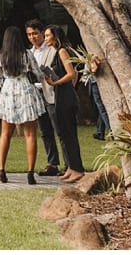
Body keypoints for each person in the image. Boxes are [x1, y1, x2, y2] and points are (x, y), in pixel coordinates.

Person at [0, 26, 45, 184]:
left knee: (5, 134)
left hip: (8, 91)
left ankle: (2, 170)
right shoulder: (27, 54)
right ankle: (30, 173)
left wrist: (5, 82)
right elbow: (38, 74)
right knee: (30, 135)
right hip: (25, 89)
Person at [43, 25, 86, 182]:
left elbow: (71, 74)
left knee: (69, 133)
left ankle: (77, 169)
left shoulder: (62, 51)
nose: (45, 38)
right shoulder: (57, 52)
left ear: (56, 36)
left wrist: (56, 83)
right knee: (65, 133)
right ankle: (71, 167)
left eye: (47, 35)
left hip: (65, 96)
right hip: (62, 94)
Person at [25, 19, 62, 176]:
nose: (32, 37)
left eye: (35, 33)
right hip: (37, 95)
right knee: (45, 130)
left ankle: (70, 164)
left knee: (59, 129)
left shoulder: (52, 49)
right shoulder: (29, 53)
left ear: (41, 33)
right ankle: (52, 163)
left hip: (51, 93)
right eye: (29, 34)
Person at [84, 52, 111, 140]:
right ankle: (100, 131)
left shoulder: (93, 54)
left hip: (95, 82)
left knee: (101, 107)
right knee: (100, 108)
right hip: (92, 81)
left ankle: (111, 131)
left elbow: (93, 70)